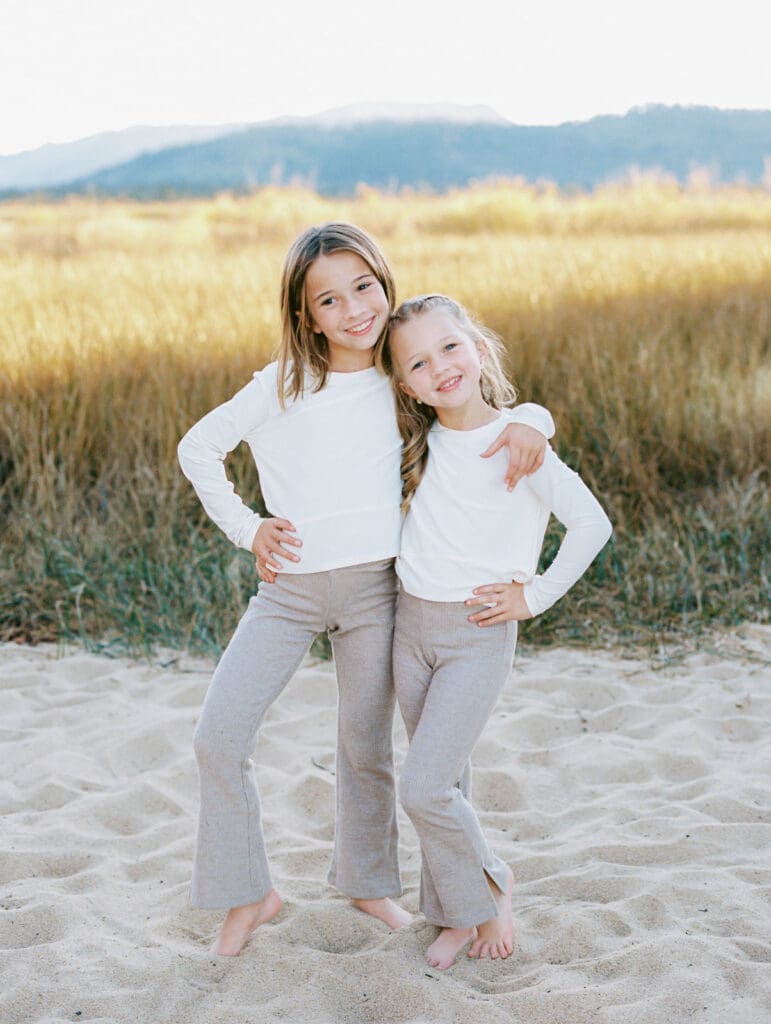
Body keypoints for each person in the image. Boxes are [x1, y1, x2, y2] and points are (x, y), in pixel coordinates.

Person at [176, 224, 556, 956]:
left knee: (367, 748)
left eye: (363, 287)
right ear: (304, 315)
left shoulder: (399, 373)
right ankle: (249, 893)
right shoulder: (281, 384)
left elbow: (483, 406)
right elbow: (198, 448)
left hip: (379, 593)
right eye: (329, 299)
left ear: (384, 282)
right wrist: (247, 527)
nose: (353, 310)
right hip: (287, 593)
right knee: (217, 737)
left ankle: (372, 883)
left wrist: (535, 420)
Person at [378, 293, 612, 971]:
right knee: (446, 780)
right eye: (418, 362)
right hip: (409, 626)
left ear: (478, 348)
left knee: (423, 787)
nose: (439, 367)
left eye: (450, 347)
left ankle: (491, 882)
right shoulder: (417, 444)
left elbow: (591, 525)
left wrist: (533, 597)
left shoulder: (518, 442)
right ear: (405, 386)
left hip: (476, 632)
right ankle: (453, 915)